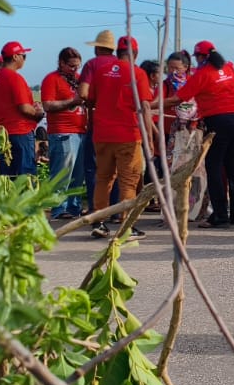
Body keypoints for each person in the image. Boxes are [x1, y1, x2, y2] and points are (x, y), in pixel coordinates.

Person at [80, 35, 153, 239]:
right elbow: (145, 107)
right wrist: (149, 136)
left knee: (103, 178)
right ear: (135, 54)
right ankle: (127, 226)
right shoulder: (137, 73)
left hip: (102, 135)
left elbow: (89, 100)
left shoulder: (100, 71)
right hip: (128, 134)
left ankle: (100, 222)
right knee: (128, 182)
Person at [171, 40, 234, 228]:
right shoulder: (228, 68)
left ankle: (220, 216)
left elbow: (178, 98)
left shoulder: (202, 74)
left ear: (201, 57)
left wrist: (149, 105)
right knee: (232, 166)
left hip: (219, 121)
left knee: (213, 167)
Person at [0, 41, 45, 176]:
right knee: (25, 173)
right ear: (15, 57)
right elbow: (24, 108)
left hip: (2, 133)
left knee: (8, 174)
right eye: (23, 56)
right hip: (20, 131)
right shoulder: (15, 78)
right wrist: (38, 113)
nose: (24, 59)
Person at [40, 47, 85, 218]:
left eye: (77, 66)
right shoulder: (52, 79)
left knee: (77, 175)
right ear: (61, 63)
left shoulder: (78, 80)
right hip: (63, 132)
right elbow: (48, 105)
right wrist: (72, 102)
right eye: (72, 66)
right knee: (62, 173)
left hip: (81, 131)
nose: (75, 70)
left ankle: (74, 207)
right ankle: (59, 208)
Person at [79, 30, 119, 211]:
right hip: (121, 125)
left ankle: (97, 208)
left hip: (98, 123)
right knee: (118, 169)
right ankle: (117, 208)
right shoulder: (122, 66)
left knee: (95, 169)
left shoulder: (92, 65)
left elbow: (83, 93)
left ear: (97, 49)